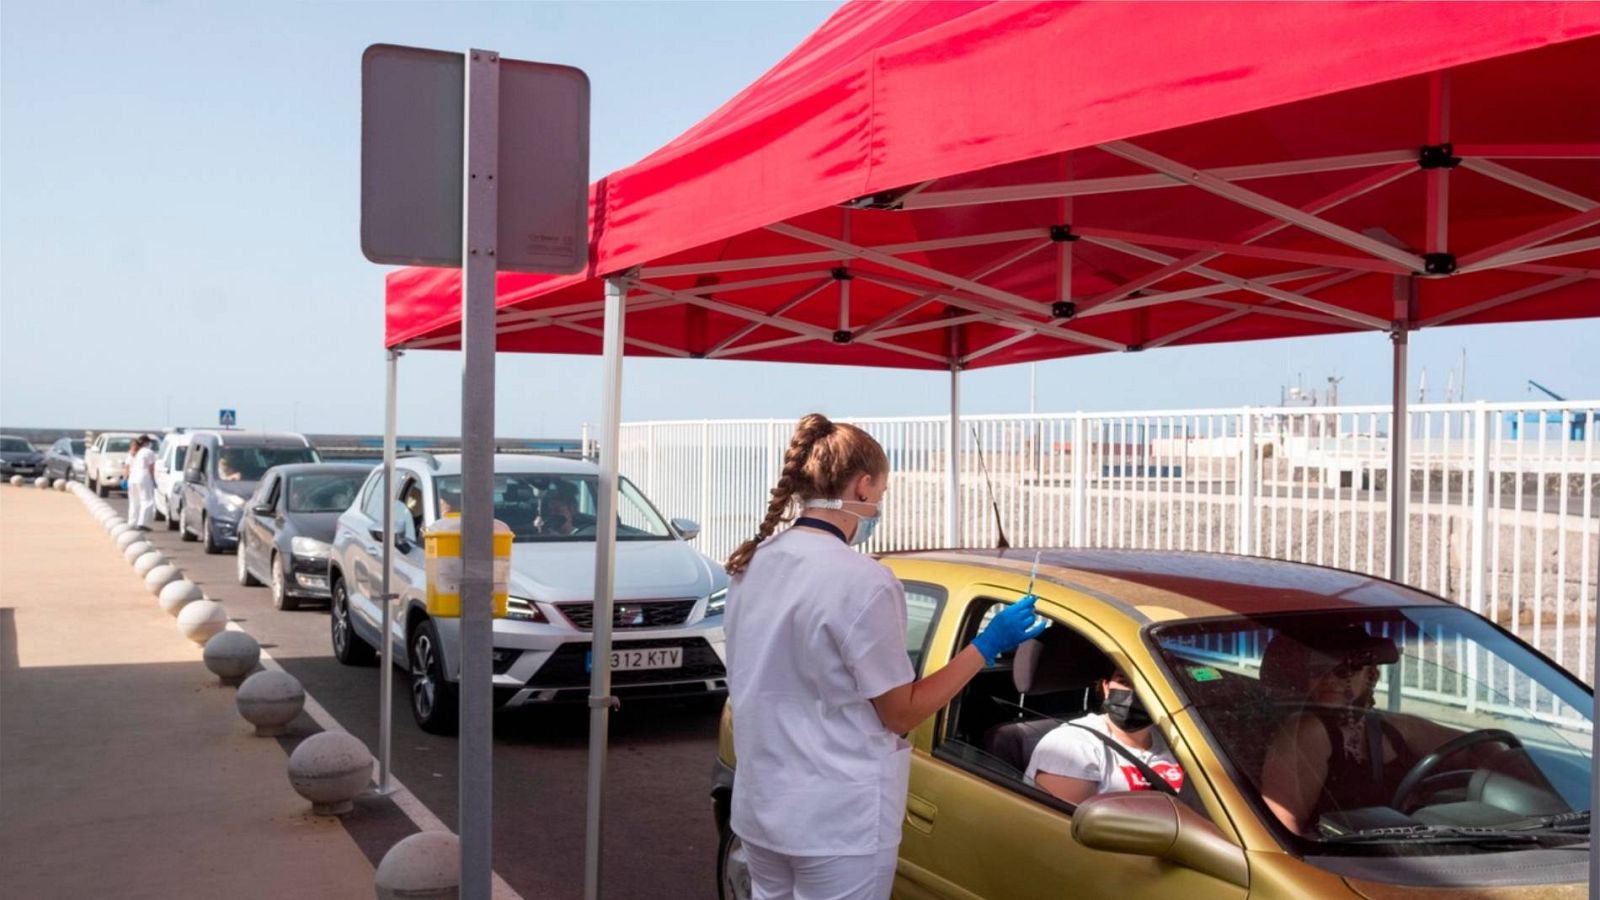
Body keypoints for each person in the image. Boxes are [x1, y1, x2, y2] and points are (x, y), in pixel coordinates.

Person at [724, 413, 1046, 900]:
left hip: (762, 811)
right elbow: (901, 713)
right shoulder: (863, 580)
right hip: (835, 822)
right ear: (863, 485)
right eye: (880, 495)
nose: (877, 506)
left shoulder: (753, 563)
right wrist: (986, 646)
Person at [1257, 626, 1413, 834]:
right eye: (1317, 670)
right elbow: (1280, 833)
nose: (1329, 679)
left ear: (1372, 675)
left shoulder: (1387, 726)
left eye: (1344, 669)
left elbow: (1468, 750)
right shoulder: (1307, 731)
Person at [1026, 665, 1186, 802]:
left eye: (1147, 685)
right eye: (1124, 682)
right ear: (1106, 687)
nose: (1134, 694)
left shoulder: (1179, 741)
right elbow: (1065, 824)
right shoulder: (1071, 745)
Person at [126, 435, 159, 531]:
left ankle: (132, 523)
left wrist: (125, 478)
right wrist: (153, 480)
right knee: (147, 501)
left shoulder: (133, 453)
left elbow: (127, 466)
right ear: (146, 443)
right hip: (144, 477)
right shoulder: (148, 452)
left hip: (132, 479)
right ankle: (142, 523)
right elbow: (151, 468)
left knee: (134, 502)